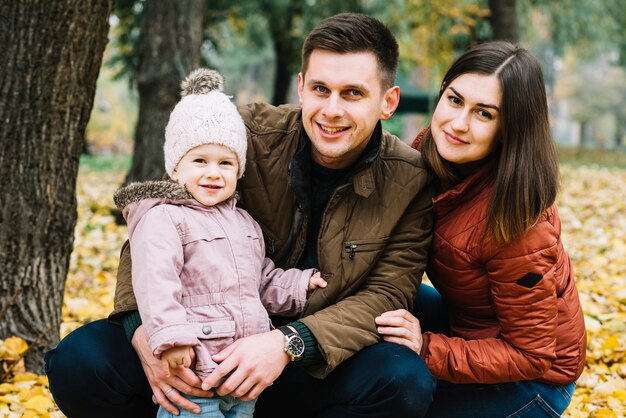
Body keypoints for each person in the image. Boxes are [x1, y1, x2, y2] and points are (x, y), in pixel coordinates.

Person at [45, 13, 436, 418]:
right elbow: (154, 228)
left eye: (352, 93)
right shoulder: (241, 135)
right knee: (80, 362)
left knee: (402, 380)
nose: (331, 110)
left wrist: (287, 344)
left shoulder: (410, 180)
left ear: (388, 101)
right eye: (321, 89)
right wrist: (143, 331)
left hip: (314, 356)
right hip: (197, 346)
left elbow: (387, 295)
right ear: (301, 88)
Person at [375, 41, 587, 417]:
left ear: (510, 129)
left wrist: (426, 347)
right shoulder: (432, 148)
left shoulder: (520, 222)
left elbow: (531, 355)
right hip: (469, 327)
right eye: (455, 100)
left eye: (484, 114)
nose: (458, 124)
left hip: (534, 383)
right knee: (379, 304)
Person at [112, 69, 327, 418]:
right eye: (200, 161)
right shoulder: (164, 218)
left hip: (239, 372)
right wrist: (171, 338)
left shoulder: (245, 222)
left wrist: (300, 284)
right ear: (175, 168)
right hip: (194, 364)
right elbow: (156, 282)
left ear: (238, 170)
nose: (214, 173)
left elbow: (262, 280)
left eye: (225, 163)